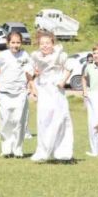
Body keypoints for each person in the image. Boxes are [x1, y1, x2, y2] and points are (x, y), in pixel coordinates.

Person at [29, 32, 73, 162]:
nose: (45, 46)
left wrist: (63, 81)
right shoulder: (35, 56)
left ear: (53, 43)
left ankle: (62, 152)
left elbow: (70, 67)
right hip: (43, 90)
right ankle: (43, 151)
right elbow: (29, 71)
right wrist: (32, 86)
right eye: (42, 43)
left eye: (47, 43)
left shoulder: (60, 55)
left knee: (60, 118)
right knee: (44, 120)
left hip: (56, 90)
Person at [0, 31, 33, 158]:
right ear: (8, 43)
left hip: (20, 93)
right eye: (13, 42)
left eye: (18, 42)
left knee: (19, 121)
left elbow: (28, 72)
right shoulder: (2, 55)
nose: (15, 45)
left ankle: (18, 149)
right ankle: (6, 149)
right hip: (4, 93)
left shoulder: (25, 55)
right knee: (6, 121)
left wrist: (31, 86)